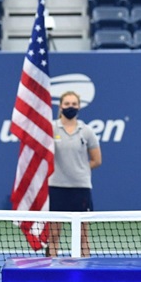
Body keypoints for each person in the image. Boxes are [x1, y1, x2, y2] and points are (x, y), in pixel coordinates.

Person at [46, 91, 102, 257]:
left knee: (82, 236)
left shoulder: (87, 131)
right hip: (56, 187)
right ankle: (50, 269)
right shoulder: (50, 128)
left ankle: (84, 269)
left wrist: (80, 170)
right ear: (60, 106)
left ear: (79, 106)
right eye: (67, 104)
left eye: (74, 104)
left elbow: (96, 160)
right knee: (53, 235)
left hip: (80, 188)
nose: (70, 107)